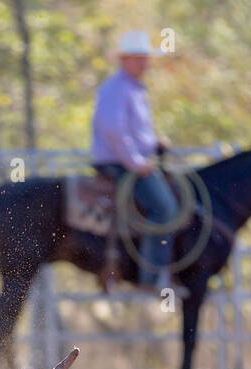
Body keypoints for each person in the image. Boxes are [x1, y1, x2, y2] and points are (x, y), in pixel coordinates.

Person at [91, 30, 179, 293]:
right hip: (119, 163)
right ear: (124, 60)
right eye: (138, 58)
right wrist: (136, 162)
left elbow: (131, 130)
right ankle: (150, 278)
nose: (144, 63)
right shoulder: (117, 89)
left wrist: (154, 144)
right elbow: (113, 129)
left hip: (129, 159)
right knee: (165, 209)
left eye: (145, 58)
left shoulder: (132, 89)